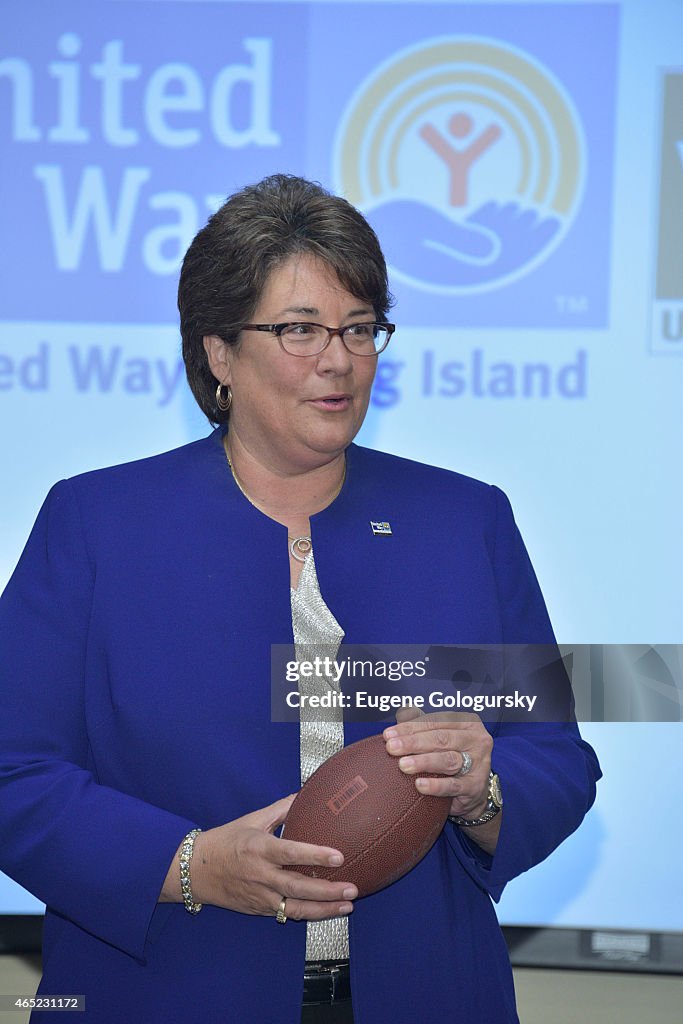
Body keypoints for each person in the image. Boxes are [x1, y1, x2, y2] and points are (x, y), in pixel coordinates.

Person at [0, 174, 600, 1023]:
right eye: (299, 329)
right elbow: (13, 771)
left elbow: (556, 759)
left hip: (425, 992)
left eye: (360, 329)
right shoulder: (97, 525)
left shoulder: (464, 522)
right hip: (168, 992)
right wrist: (189, 865)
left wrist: (484, 789)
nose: (339, 358)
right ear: (218, 353)